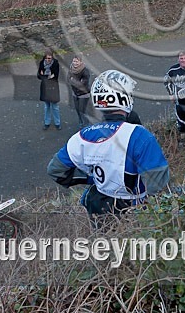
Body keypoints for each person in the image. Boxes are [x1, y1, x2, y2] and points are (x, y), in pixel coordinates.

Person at [47, 70, 170, 219]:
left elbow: (55, 170)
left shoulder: (82, 136)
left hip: (99, 207)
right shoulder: (140, 135)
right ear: (124, 98)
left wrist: (93, 179)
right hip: (135, 210)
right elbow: (158, 185)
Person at [37, 48, 61, 130]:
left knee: (55, 106)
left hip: (53, 87)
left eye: (49, 58)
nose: (48, 60)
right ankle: (47, 123)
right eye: (46, 58)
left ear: (52, 58)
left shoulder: (55, 64)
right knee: (46, 106)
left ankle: (57, 123)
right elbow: (38, 76)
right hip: (45, 87)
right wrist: (48, 76)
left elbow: (55, 76)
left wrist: (44, 76)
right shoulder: (41, 63)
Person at [67, 55, 91, 127]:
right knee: (77, 110)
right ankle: (81, 123)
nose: (75, 63)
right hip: (75, 93)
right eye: (74, 61)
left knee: (82, 111)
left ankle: (86, 124)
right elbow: (68, 79)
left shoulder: (85, 71)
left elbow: (82, 84)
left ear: (81, 62)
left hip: (83, 94)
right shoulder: (71, 69)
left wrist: (73, 81)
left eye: (77, 62)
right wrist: (75, 81)